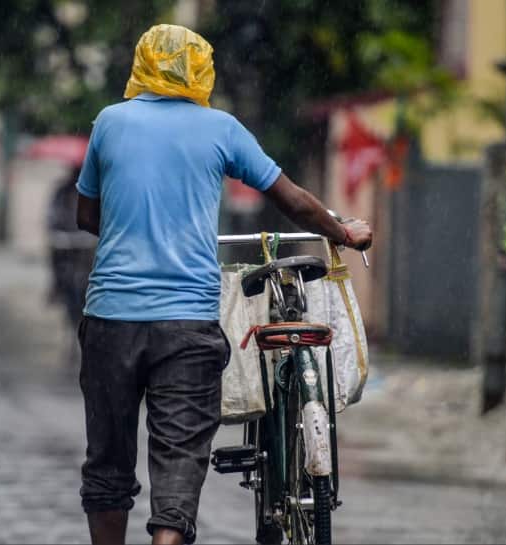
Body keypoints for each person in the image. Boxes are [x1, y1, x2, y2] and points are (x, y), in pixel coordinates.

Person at [74, 24, 372, 545]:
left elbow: (86, 214)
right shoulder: (221, 129)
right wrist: (342, 231)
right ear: (200, 70)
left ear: (142, 65)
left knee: (108, 459)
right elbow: (293, 199)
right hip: (186, 325)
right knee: (179, 459)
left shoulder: (110, 123)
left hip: (111, 322)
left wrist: (137, 229)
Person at [46, 166, 97, 331]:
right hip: (65, 245)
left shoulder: (94, 192)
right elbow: (52, 217)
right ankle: (56, 286)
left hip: (85, 247)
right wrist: (58, 234)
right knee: (56, 261)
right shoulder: (61, 191)